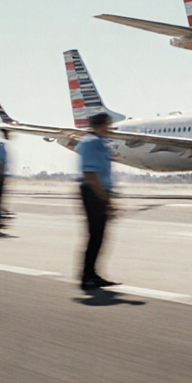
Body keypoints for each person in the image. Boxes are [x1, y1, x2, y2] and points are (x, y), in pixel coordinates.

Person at [77, 113, 118, 289]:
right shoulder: (91, 143)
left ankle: (92, 273)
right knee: (95, 236)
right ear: (102, 125)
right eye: (109, 125)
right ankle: (87, 276)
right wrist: (103, 199)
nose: (111, 128)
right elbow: (90, 175)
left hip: (99, 192)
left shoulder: (100, 143)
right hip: (93, 192)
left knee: (99, 236)